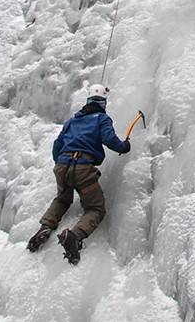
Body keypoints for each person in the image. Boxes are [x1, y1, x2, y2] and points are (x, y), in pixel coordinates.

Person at [27, 83, 131, 264]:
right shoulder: (102, 119)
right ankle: (75, 236)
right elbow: (108, 139)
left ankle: (45, 227)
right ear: (103, 103)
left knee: (62, 199)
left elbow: (57, 145)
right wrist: (124, 146)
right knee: (95, 208)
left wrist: (62, 163)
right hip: (83, 167)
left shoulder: (72, 121)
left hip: (62, 164)